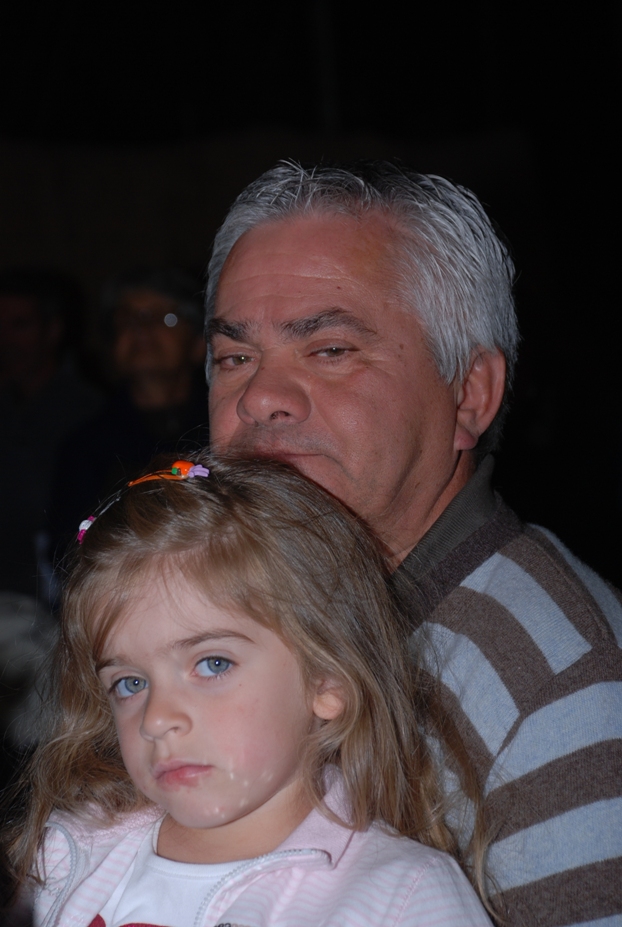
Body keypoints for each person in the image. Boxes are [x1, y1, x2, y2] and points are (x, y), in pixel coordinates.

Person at [204, 161, 622, 927]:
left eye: (330, 349)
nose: (258, 396)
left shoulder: (562, 687)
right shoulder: (223, 612)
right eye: (235, 357)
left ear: (470, 394)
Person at [3, 456, 492, 927]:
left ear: (327, 678)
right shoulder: (71, 855)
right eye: (131, 683)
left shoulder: (401, 898)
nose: (156, 719)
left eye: (212, 664)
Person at [49, 268, 208, 561]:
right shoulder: (84, 446)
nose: (141, 329)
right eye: (127, 319)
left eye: (165, 318)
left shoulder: (225, 429)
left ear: (199, 344)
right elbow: (66, 553)